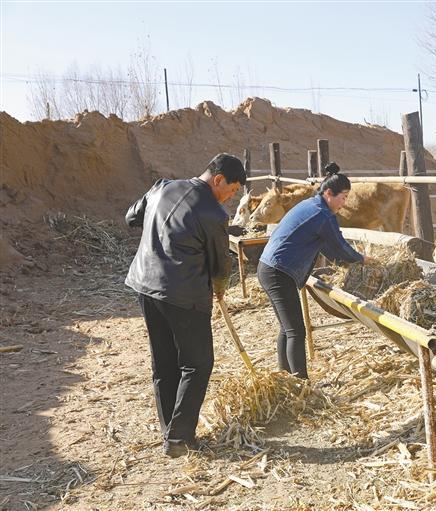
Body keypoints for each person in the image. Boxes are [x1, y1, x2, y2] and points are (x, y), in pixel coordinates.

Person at [125, 153, 246, 458]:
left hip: (145, 285)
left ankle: (171, 432)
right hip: (183, 294)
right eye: (230, 191)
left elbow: (131, 218)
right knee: (198, 364)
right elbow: (221, 265)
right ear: (217, 180)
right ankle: (179, 438)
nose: (229, 199)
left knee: (164, 361)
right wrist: (219, 290)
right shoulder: (213, 214)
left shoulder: (161, 187)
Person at [258, 163, 371, 379]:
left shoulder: (310, 205)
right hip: (278, 272)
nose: (345, 202)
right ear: (329, 193)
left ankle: (286, 378)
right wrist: (362, 259)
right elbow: (340, 248)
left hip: (269, 267)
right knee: (296, 331)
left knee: (287, 327)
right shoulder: (323, 215)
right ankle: (301, 384)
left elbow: (329, 248)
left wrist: (344, 262)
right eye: (343, 197)